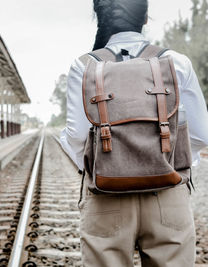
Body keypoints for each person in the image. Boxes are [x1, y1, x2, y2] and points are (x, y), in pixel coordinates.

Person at [60, 0, 208, 266]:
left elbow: (76, 138)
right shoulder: (177, 62)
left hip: (106, 195)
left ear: (99, 17)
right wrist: (171, 161)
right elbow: (202, 135)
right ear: (146, 18)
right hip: (168, 192)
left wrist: (106, 166)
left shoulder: (83, 66)